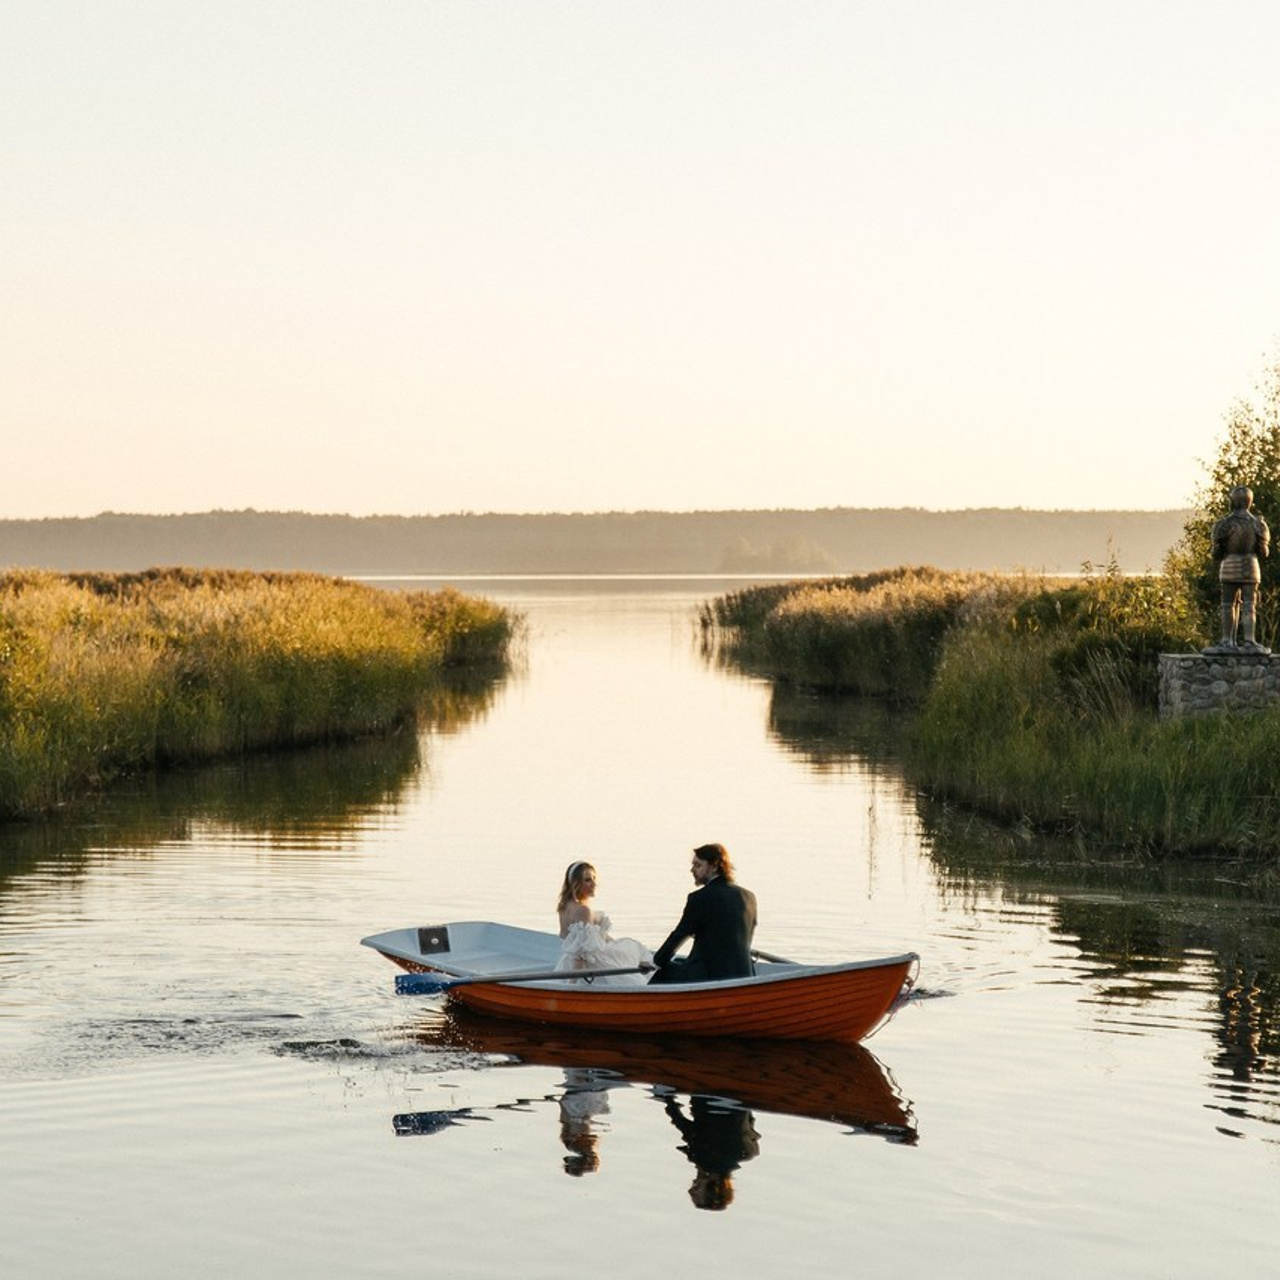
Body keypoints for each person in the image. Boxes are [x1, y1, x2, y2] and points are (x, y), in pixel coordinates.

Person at [648, 843, 758, 984]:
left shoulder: (700, 898)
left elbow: (680, 934)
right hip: (744, 974)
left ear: (714, 866)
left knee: (663, 972)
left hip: (710, 976)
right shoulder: (749, 896)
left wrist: (656, 962)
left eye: (698, 865)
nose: (692, 870)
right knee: (681, 961)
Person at [554, 861, 653, 986]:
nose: (594, 884)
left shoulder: (564, 906)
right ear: (576, 884)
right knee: (636, 949)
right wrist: (572, 985)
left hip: (568, 962)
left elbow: (573, 939)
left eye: (594, 879)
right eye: (587, 880)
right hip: (590, 963)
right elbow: (581, 952)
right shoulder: (583, 911)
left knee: (630, 947)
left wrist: (617, 944)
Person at [1208, 484, 1271, 653]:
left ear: (1233, 501)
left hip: (1230, 565)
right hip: (1250, 566)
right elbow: (1263, 552)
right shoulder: (1258, 524)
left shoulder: (1223, 525)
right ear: (1249, 502)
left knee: (1228, 605)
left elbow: (1216, 552)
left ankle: (1227, 641)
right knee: (1249, 605)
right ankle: (1249, 641)